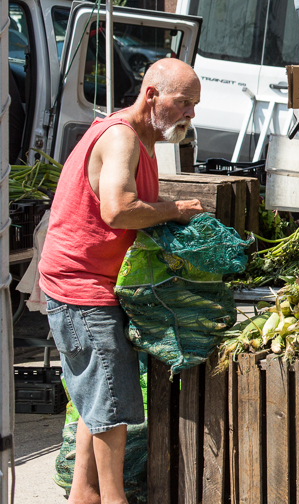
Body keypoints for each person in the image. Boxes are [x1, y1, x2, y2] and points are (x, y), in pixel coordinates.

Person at [39, 59, 205, 504]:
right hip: (82, 290)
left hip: (88, 286)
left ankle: (85, 495)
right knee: (111, 407)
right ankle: (115, 500)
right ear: (152, 95)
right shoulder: (121, 138)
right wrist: (172, 208)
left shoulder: (140, 140)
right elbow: (118, 209)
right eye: (183, 103)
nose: (190, 114)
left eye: (194, 105)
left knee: (98, 404)